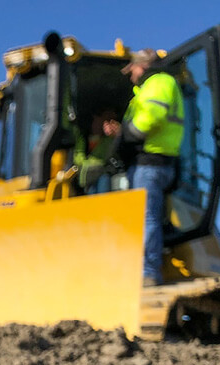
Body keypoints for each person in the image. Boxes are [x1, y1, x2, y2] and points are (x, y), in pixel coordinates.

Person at [104, 48, 185, 286]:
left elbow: (150, 118)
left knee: (146, 218)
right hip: (150, 162)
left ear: (142, 66)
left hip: (152, 163)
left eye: (132, 70)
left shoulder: (159, 82)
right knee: (147, 217)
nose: (130, 76)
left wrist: (126, 134)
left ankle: (148, 272)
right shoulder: (148, 89)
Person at [73, 109, 119, 194]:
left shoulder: (109, 140)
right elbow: (78, 158)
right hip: (87, 179)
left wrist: (115, 134)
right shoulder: (82, 139)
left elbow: (110, 154)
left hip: (102, 176)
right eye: (97, 121)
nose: (99, 124)